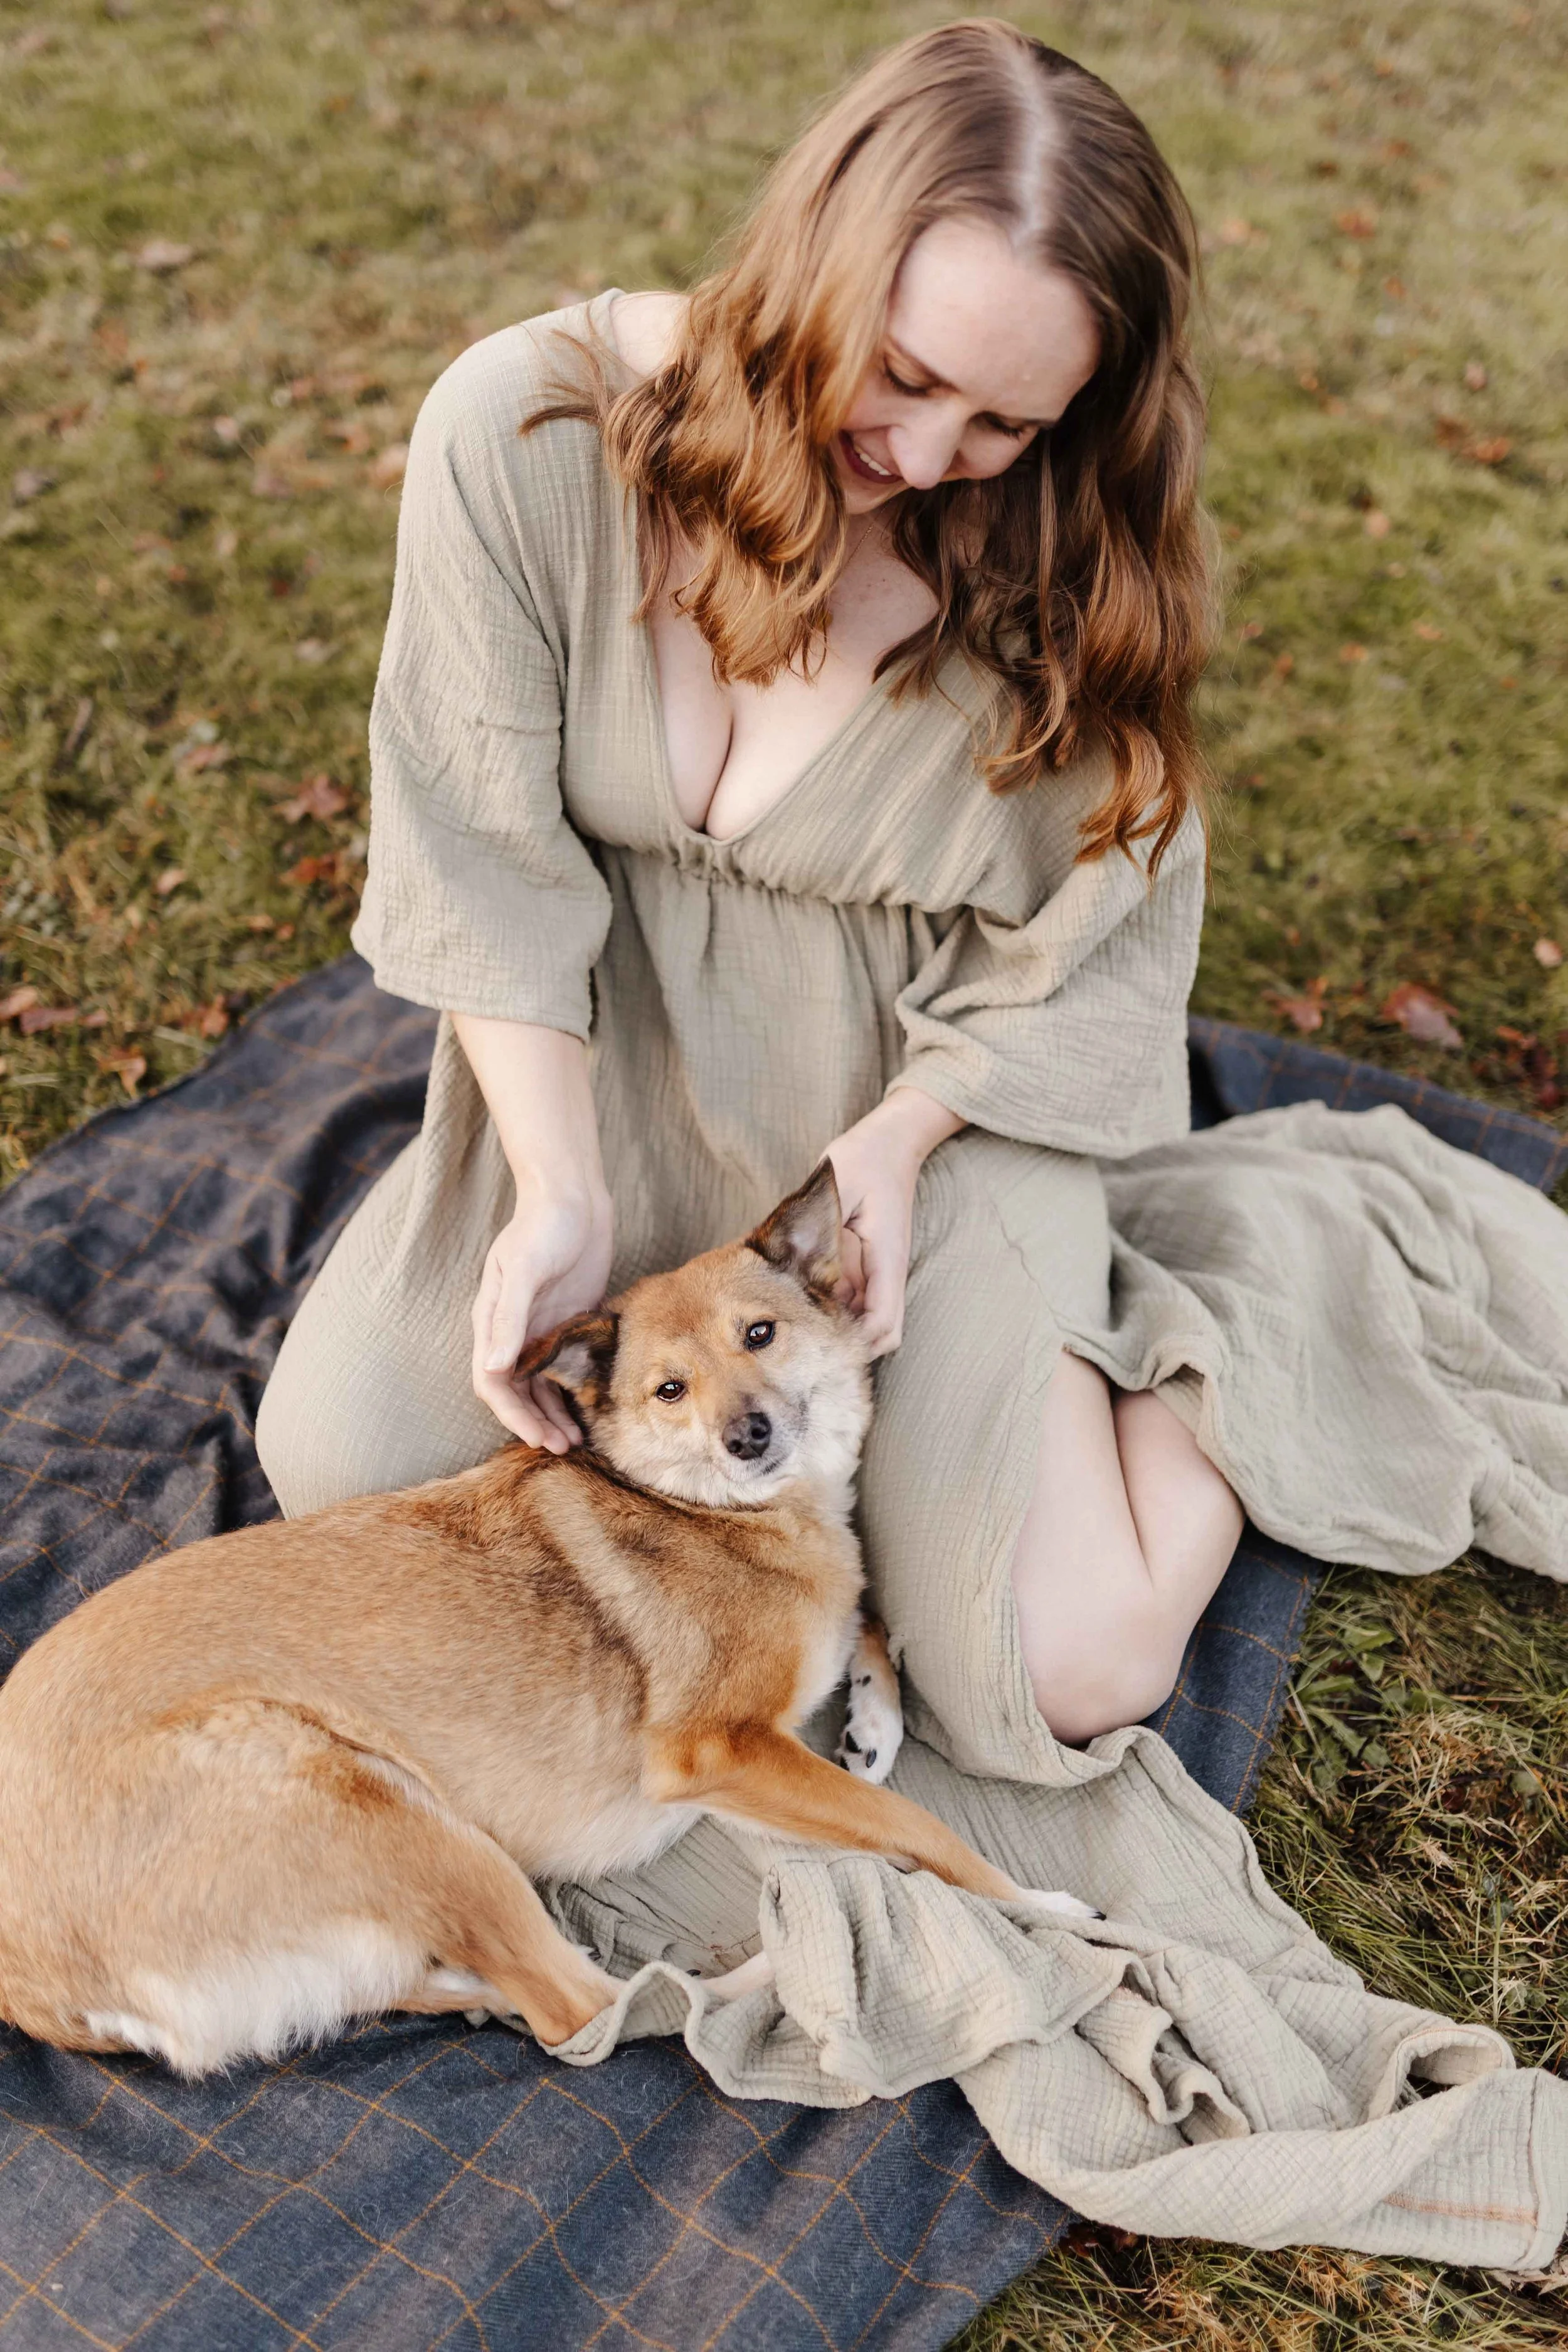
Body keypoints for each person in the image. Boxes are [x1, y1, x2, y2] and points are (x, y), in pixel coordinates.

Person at [255, 17, 1260, 1747]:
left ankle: (1230, 1355)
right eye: (905, 371)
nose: (931, 452)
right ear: (814, 255)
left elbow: (1086, 943)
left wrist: (901, 1138)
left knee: (1071, 1668)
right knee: (343, 1467)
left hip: (915, 1099)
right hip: (608, 1048)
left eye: (1003, 419)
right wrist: (556, 1187)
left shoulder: (1057, 565)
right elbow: (478, 853)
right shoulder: (526, 435)